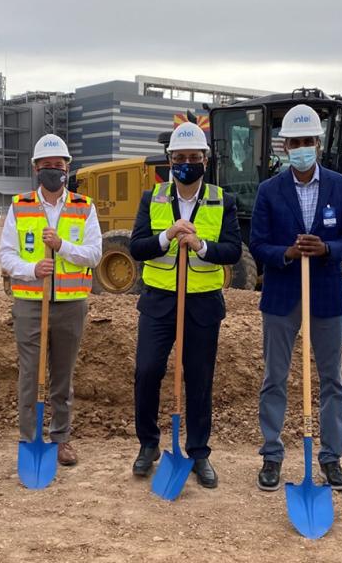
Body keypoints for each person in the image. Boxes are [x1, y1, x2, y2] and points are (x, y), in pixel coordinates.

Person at [249, 104, 342, 492]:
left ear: (318, 143)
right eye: (294, 143)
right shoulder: (269, 191)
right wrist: (288, 253)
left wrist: (326, 249)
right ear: (284, 147)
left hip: (327, 296)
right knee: (274, 378)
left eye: (307, 141)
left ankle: (331, 458)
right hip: (282, 296)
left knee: (332, 380)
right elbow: (257, 244)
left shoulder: (341, 187)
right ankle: (272, 455)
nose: (301, 148)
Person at [129, 122, 242, 489]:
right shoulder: (153, 198)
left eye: (194, 157)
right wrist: (167, 236)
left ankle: (198, 452)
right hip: (159, 302)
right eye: (180, 158)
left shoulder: (223, 200)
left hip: (203, 304)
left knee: (199, 378)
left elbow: (233, 251)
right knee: (147, 371)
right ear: (170, 161)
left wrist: (201, 247)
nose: (187, 163)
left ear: (205, 161)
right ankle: (148, 444)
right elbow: (137, 247)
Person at [0, 134, 102, 466]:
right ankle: (30, 439)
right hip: (30, 303)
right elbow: (5, 255)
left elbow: (94, 254)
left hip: (71, 304)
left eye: (58, 165)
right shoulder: (20, 206)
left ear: (67, 168)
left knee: (62, 376)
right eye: (46, 165)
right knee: (30, 375)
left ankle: (60, 438)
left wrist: (61, 247)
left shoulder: (84, 207)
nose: (53, 170)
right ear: (36, 169)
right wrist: (32, 269)